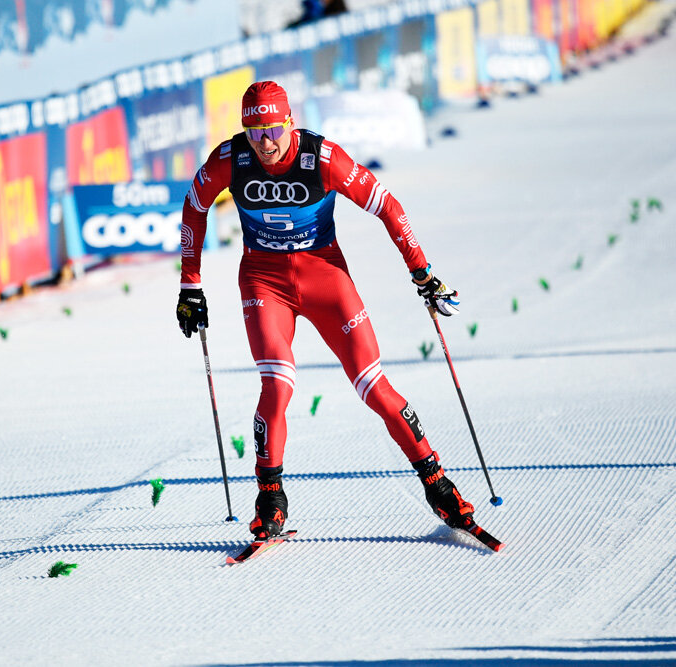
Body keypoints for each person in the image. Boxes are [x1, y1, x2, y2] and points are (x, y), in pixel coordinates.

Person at [176, 81, 475, 540]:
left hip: (324, 275)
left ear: (289, 122)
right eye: (253, 132)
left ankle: (438, 485)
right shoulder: (229, 159)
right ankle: (270, 500)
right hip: (263, 279)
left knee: (375, 387)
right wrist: (190, 286)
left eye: (272, 129)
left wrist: (422, 273)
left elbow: (387, 206)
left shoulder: (323, 158)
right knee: (277, 386)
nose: (264, 142)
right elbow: (194, 208)